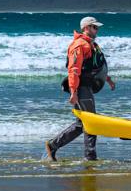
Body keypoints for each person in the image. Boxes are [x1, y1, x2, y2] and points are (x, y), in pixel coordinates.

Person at [45, 16, 116, 161]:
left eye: (97, 27)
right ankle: (90, 157)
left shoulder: (91, 44)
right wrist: (73, 92)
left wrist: (107, 79)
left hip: (86, 86)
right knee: (91, 122)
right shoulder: (79, 45)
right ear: (86, 28)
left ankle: (53, 145)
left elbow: (95, 66)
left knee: (82, 123)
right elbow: (74, 70)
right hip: (81, 87)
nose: (97, 30)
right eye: (94, 27)